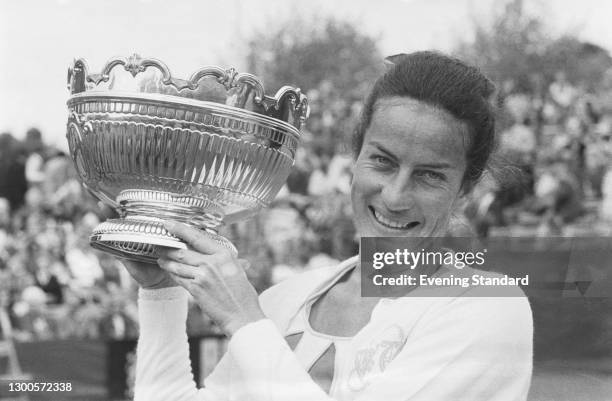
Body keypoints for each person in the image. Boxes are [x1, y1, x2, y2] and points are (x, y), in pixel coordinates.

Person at [122, 51, 533, 401]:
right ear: (355, 157)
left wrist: (244, 322)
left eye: (429, 175)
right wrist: (161, 295)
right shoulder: (284, 303)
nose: (394, 195)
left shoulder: (488, 309)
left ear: (465, 188)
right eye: (382, 161)